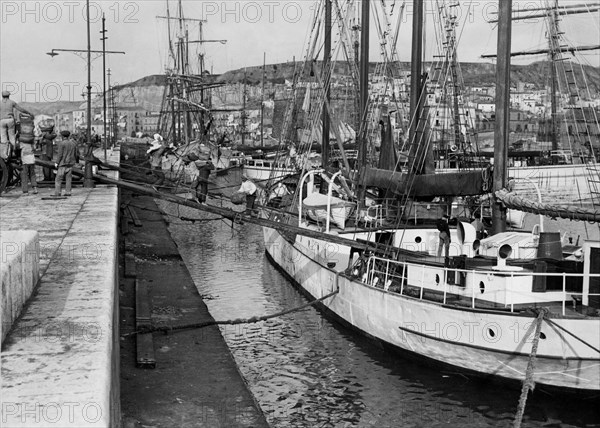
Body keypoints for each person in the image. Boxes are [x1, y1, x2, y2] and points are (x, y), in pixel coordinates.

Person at [1, 90, 33, 159]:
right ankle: (13, 152)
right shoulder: (11, 102)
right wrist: (28, 113)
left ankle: (5, 153)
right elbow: (20, 109)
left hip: (2, 121)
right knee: (12, 136)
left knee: (3, 138)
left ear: (2, 96)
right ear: (8, 96)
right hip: (10, 120)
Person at [54, 130, 79, 197]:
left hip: (63, 163)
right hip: (70, 163)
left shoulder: (62, 144)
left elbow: (60, 154)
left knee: (58, 179)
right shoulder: (73, 144)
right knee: (68, 179)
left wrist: (57, 162)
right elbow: (76, 154)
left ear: (62, 136)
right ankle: (68, 192)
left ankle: (58, 192)